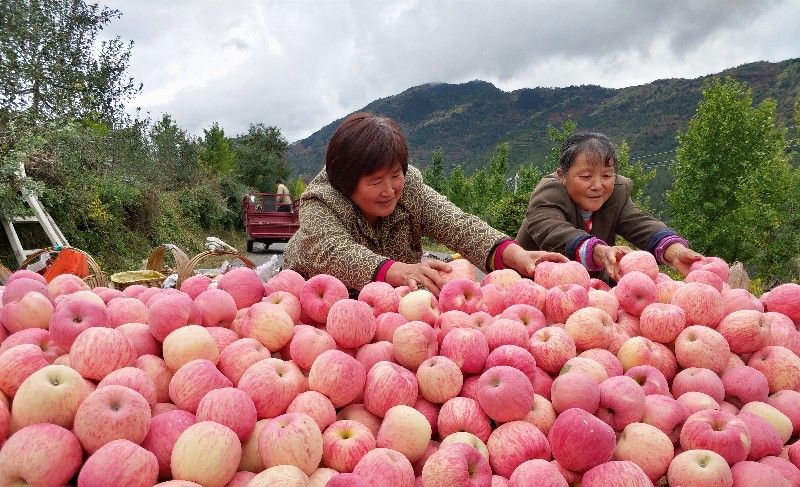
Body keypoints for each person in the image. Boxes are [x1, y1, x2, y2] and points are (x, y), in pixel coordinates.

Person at [283, 112, 566, 293]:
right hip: (314, 308)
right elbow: (335, 253)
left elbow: (455, 223)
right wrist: (400, 270)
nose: (389, 190)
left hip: (391, 313)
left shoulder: (409, 187)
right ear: (347, 181)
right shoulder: (320, 201)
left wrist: (512, 253)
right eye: (374, 181)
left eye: (395, 175)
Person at [515, 132, 702, 281]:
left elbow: (641, 224)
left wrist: (675, 252)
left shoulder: (616, 194)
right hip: (530, 282)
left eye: (606, 175)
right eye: (586, 177)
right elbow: (553, 231)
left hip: (591, 290)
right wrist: (599, 251)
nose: (598, 185)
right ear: (562, 175)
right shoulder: (548, 194)